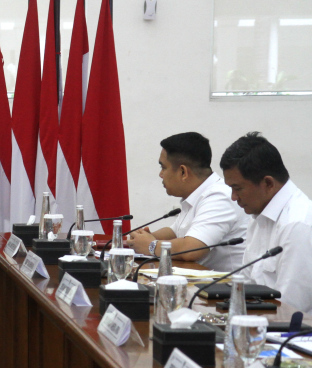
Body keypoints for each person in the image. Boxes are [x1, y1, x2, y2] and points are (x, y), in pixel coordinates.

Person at [124, 132, 246, 271]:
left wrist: (151, 245)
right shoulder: (197, 195)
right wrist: (143, 238)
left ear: (183, 172)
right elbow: (175, 232)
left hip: (227, 289)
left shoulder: (219, 196)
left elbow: (191, 249)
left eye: (163, 167)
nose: (160, 174)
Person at [220, 132, 312, 313]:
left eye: (237, 188)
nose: (233, 197)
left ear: (268, 183)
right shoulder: (258, 217)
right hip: (261, 322)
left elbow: (290, 308)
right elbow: (246, 286)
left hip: (290, 334)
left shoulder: (298, 225)